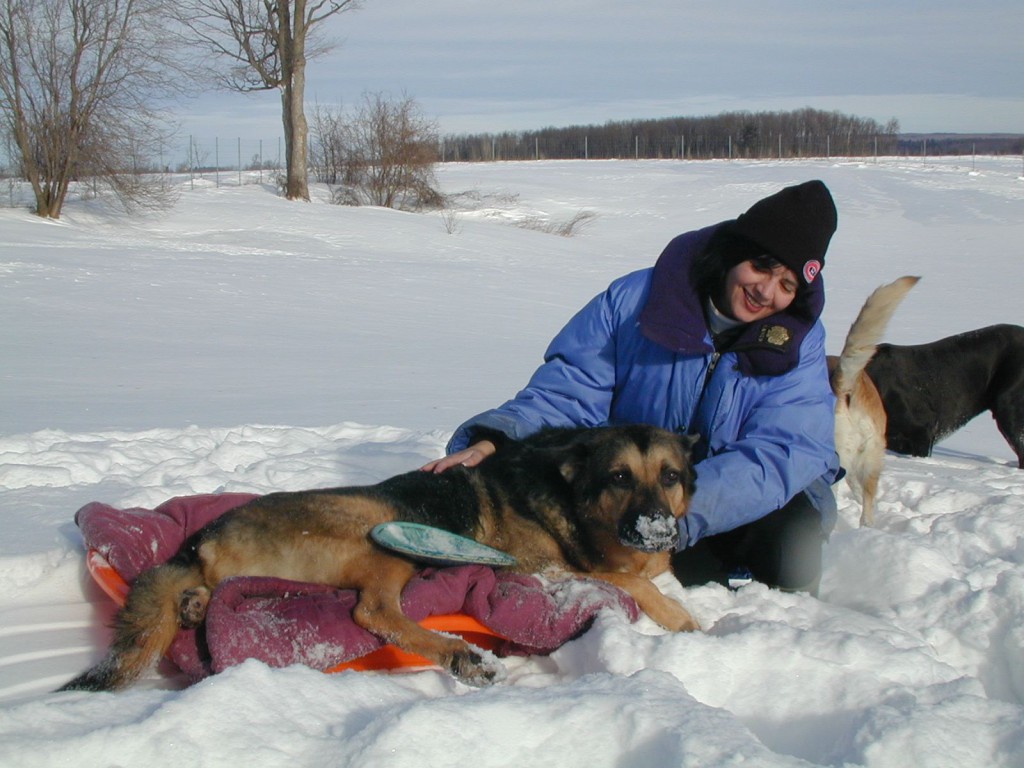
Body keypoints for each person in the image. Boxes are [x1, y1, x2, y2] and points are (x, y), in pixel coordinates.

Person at [423, 180, 840, 594]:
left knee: (791, 546)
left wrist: (678, 509)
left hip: (727, 504)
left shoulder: (799, 343)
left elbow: (784, 450)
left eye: (787, 285)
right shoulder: (634, 302)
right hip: (631, 494)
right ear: (734, 252)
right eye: (761, 266)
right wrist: (498, 440)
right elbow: (568, 394)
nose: (765, 292)